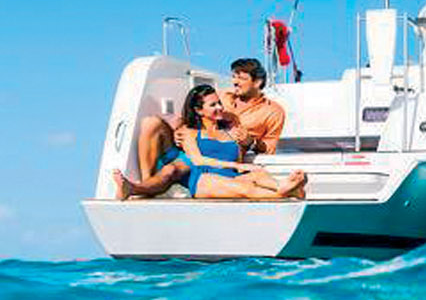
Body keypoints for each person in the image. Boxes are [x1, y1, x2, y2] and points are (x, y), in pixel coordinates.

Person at [116, 85, 305, 201]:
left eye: (219, 103)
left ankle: (283, 187)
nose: (220, 108)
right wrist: (237, 164)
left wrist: (247, 154)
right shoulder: (189, 133)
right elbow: (198, 161)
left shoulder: (231, 131)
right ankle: (283, 193)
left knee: (258, 174)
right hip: (206, 179)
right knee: (246, 190)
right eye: (213, 105)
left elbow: (241, 161)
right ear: (199, 110)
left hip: (230, 176)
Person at [136, 57, 286, 181]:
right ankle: (145, 182)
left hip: (220, 155)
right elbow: (191, 113)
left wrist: (251, 142)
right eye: (234, 76)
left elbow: (270, 149)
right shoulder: (220, 96)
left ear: (257, 82)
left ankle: (156, 184)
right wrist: (178, 129)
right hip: (192, 147)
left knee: (174, 169)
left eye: (241, 78)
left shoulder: (273, 111)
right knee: (151, 123)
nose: (235, 82)